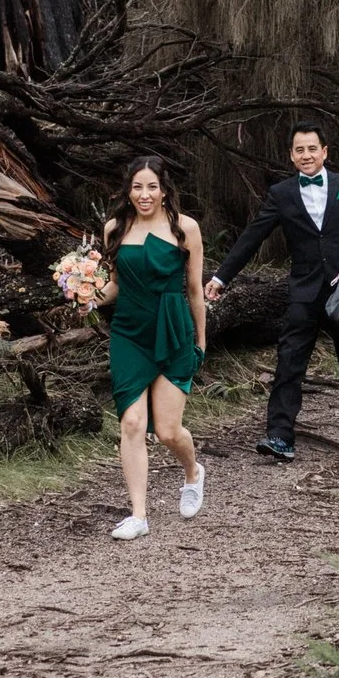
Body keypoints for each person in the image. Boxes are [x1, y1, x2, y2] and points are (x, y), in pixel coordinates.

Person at [205, 124, 339, 461]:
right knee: (290, 360)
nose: (306, 156)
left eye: (312, 149)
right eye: (299, 150)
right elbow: (253, 236)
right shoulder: (281, 194)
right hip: (304, 291)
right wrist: (221, 277)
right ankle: (280, 437)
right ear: (291, 156)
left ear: (324, 151)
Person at [101, 156, 206, 542]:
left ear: (164, 191)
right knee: (132, 423)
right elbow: (114, 284)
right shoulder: (115, 227)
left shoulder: (185, 228)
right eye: (137, 187)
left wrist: (201, 339)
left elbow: (195, 290)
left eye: (151, 187)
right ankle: (139, 515)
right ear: (128, 191)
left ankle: (193, 473)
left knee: (167, 431)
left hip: (173, 328)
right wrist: (88, 295)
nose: (144, 195)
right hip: (129, 330)